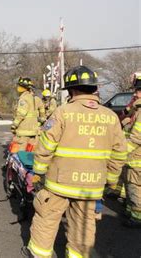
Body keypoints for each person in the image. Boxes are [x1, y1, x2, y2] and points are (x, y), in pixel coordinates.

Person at [23, 66, 127, 257]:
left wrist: (38, 173)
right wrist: (111, 181)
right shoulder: (111, 117)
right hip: (91, 186)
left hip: (58, 184)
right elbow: (120, 153)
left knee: (47, 218)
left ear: (72, 90)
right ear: (93, 89)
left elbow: (45, 146)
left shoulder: (63, 112)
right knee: (84, 227)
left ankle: (39, 254)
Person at [122, 73, 141, 228]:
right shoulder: (137, 108)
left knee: (135, 186)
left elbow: (136, 137)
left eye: (138, 90)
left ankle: (137, 217)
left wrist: (121, 152)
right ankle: (130, 210)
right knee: (130, 185)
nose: (135, 93)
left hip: (136, 157)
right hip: (133, 157)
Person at [11, 77, 39, 151]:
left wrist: (14, 125)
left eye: (20, 86)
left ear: (24, 88)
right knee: (29, 154)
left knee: (19, 152)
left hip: (24, 131)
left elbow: (21, 114)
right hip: (33, 131)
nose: (18, 88)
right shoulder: (32, 98)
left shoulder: (23, 98)